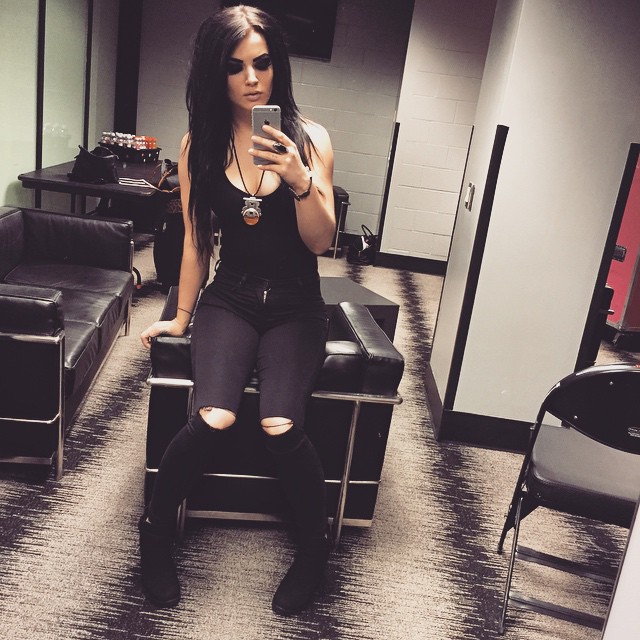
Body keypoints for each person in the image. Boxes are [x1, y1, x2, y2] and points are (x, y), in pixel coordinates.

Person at [138, 5, 336, 616]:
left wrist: (300, 180)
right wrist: (180, 316)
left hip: (297, 304)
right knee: (215, 416)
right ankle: (153, 530)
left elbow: (321, 242)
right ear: (214, 73)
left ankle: (315, 548)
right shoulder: (199, 145)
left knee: (281, 425)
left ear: (278, 66)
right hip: (233, 297)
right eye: (235, 66)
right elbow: (197, 241)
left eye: (262, 62)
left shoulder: (311, 140)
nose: (252, 78)